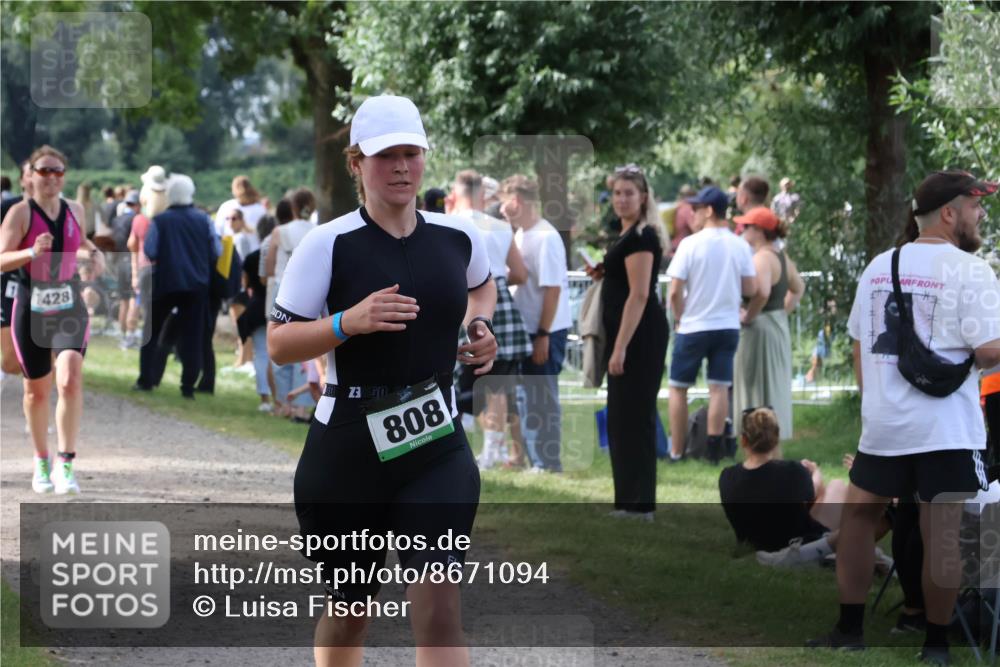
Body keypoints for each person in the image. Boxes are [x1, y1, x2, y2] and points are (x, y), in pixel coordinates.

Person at [267, 94, 497, 667]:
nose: (400, 167)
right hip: (348, 445)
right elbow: (279, 343)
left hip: (435, 442)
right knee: (350, 612)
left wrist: (479, 325)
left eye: (411, 154)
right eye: (384, 155)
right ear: (356, 164)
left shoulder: (458, 236)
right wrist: (348, 322)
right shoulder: (328, 243)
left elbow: (481, 286)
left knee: (441, 607)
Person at [808, 170, 1000, 664]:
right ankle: (935, 646)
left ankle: (849, 631)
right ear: (949, 213)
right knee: (941, 535)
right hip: (947, 430)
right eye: (976, 205)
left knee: (858, 520)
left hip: (886, 427)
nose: (981, 214)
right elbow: (986, 352)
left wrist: (875, 403)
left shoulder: (879, 265)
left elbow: (859, 342)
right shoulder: (970, 270)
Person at [0, 145, 106, 494]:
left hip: (68, 303)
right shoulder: (19, 213)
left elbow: (83, 241)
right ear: (29, 175)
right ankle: (41, 460)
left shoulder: (75, 209)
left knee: (70, 376)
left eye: (58, 171)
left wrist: (94, 253)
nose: (51, 177)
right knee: (35, 392)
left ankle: (66, 462)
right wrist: (31, 252)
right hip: (31, 304)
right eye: (44, 171)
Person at [589, 164, 669, 520]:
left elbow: (639, 295)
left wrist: (620, 346)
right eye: (617, 193)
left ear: (643, 197)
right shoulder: (623, 235)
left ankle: (641, 504)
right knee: (620, 418)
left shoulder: (642, 237)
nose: (621, 200)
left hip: (640, 336)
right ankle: (626, 501)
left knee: (635, 418)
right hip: (625, 333)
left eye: (629, 193)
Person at [448, 169, 531, 469]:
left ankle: (492, 453)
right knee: (499, 383)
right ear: (483, 194)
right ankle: (505, 452)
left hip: (464, 302)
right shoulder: (499, 226)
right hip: (500, 300)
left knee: (481, 382)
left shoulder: (451, 224)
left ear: (456, 194)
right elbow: (520, 273)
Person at [667, 186, 757, 463]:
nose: (691, 214)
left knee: (678, 387)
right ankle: (714, 452)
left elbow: (673, 291)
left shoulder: (690, 244)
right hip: (727, 325)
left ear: (708, 211)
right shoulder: (739, 244)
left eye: (695, 209)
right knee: (719, 388)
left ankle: (678, 451)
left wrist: (681, 316)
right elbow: (751, 287)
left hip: (694, 325)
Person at [503, 174, 571, 473]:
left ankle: (548, 461)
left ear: (515, 201)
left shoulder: (545, 236)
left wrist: (543, 334)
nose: (501, 208)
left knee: (542, 397)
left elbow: (552, 288)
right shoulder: (520, 235)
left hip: (545, 331)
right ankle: (536, 460)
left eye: (503, 202)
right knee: (527, 397)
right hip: (529, 330)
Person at [134, 174, 220, 398]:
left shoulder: (161, 220)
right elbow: (216, 251)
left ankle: (146, 379)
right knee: (193, 335)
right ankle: (188, 386)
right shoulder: (204, 220)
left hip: (166, 281)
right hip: (197, 285)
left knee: (152, 332)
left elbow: (150, 251)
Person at [733, 206, 804, 440]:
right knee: (773, 384)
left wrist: (749, 316)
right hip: (776, 325)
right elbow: (798, 288)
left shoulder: (762, 258)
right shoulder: (781, 258)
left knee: (756, 384)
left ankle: (758, 438)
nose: (742, 230)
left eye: (747, 227)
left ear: (760, 231)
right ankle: (770, 437)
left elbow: (762, 292)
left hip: (760, 330)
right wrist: (781, 312)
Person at [1, 161, 34, 377]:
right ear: (22, 179)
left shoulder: (62, 210)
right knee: (12, 360)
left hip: (42, 286)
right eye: (33, 172)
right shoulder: (8, 208)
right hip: (7, 282)